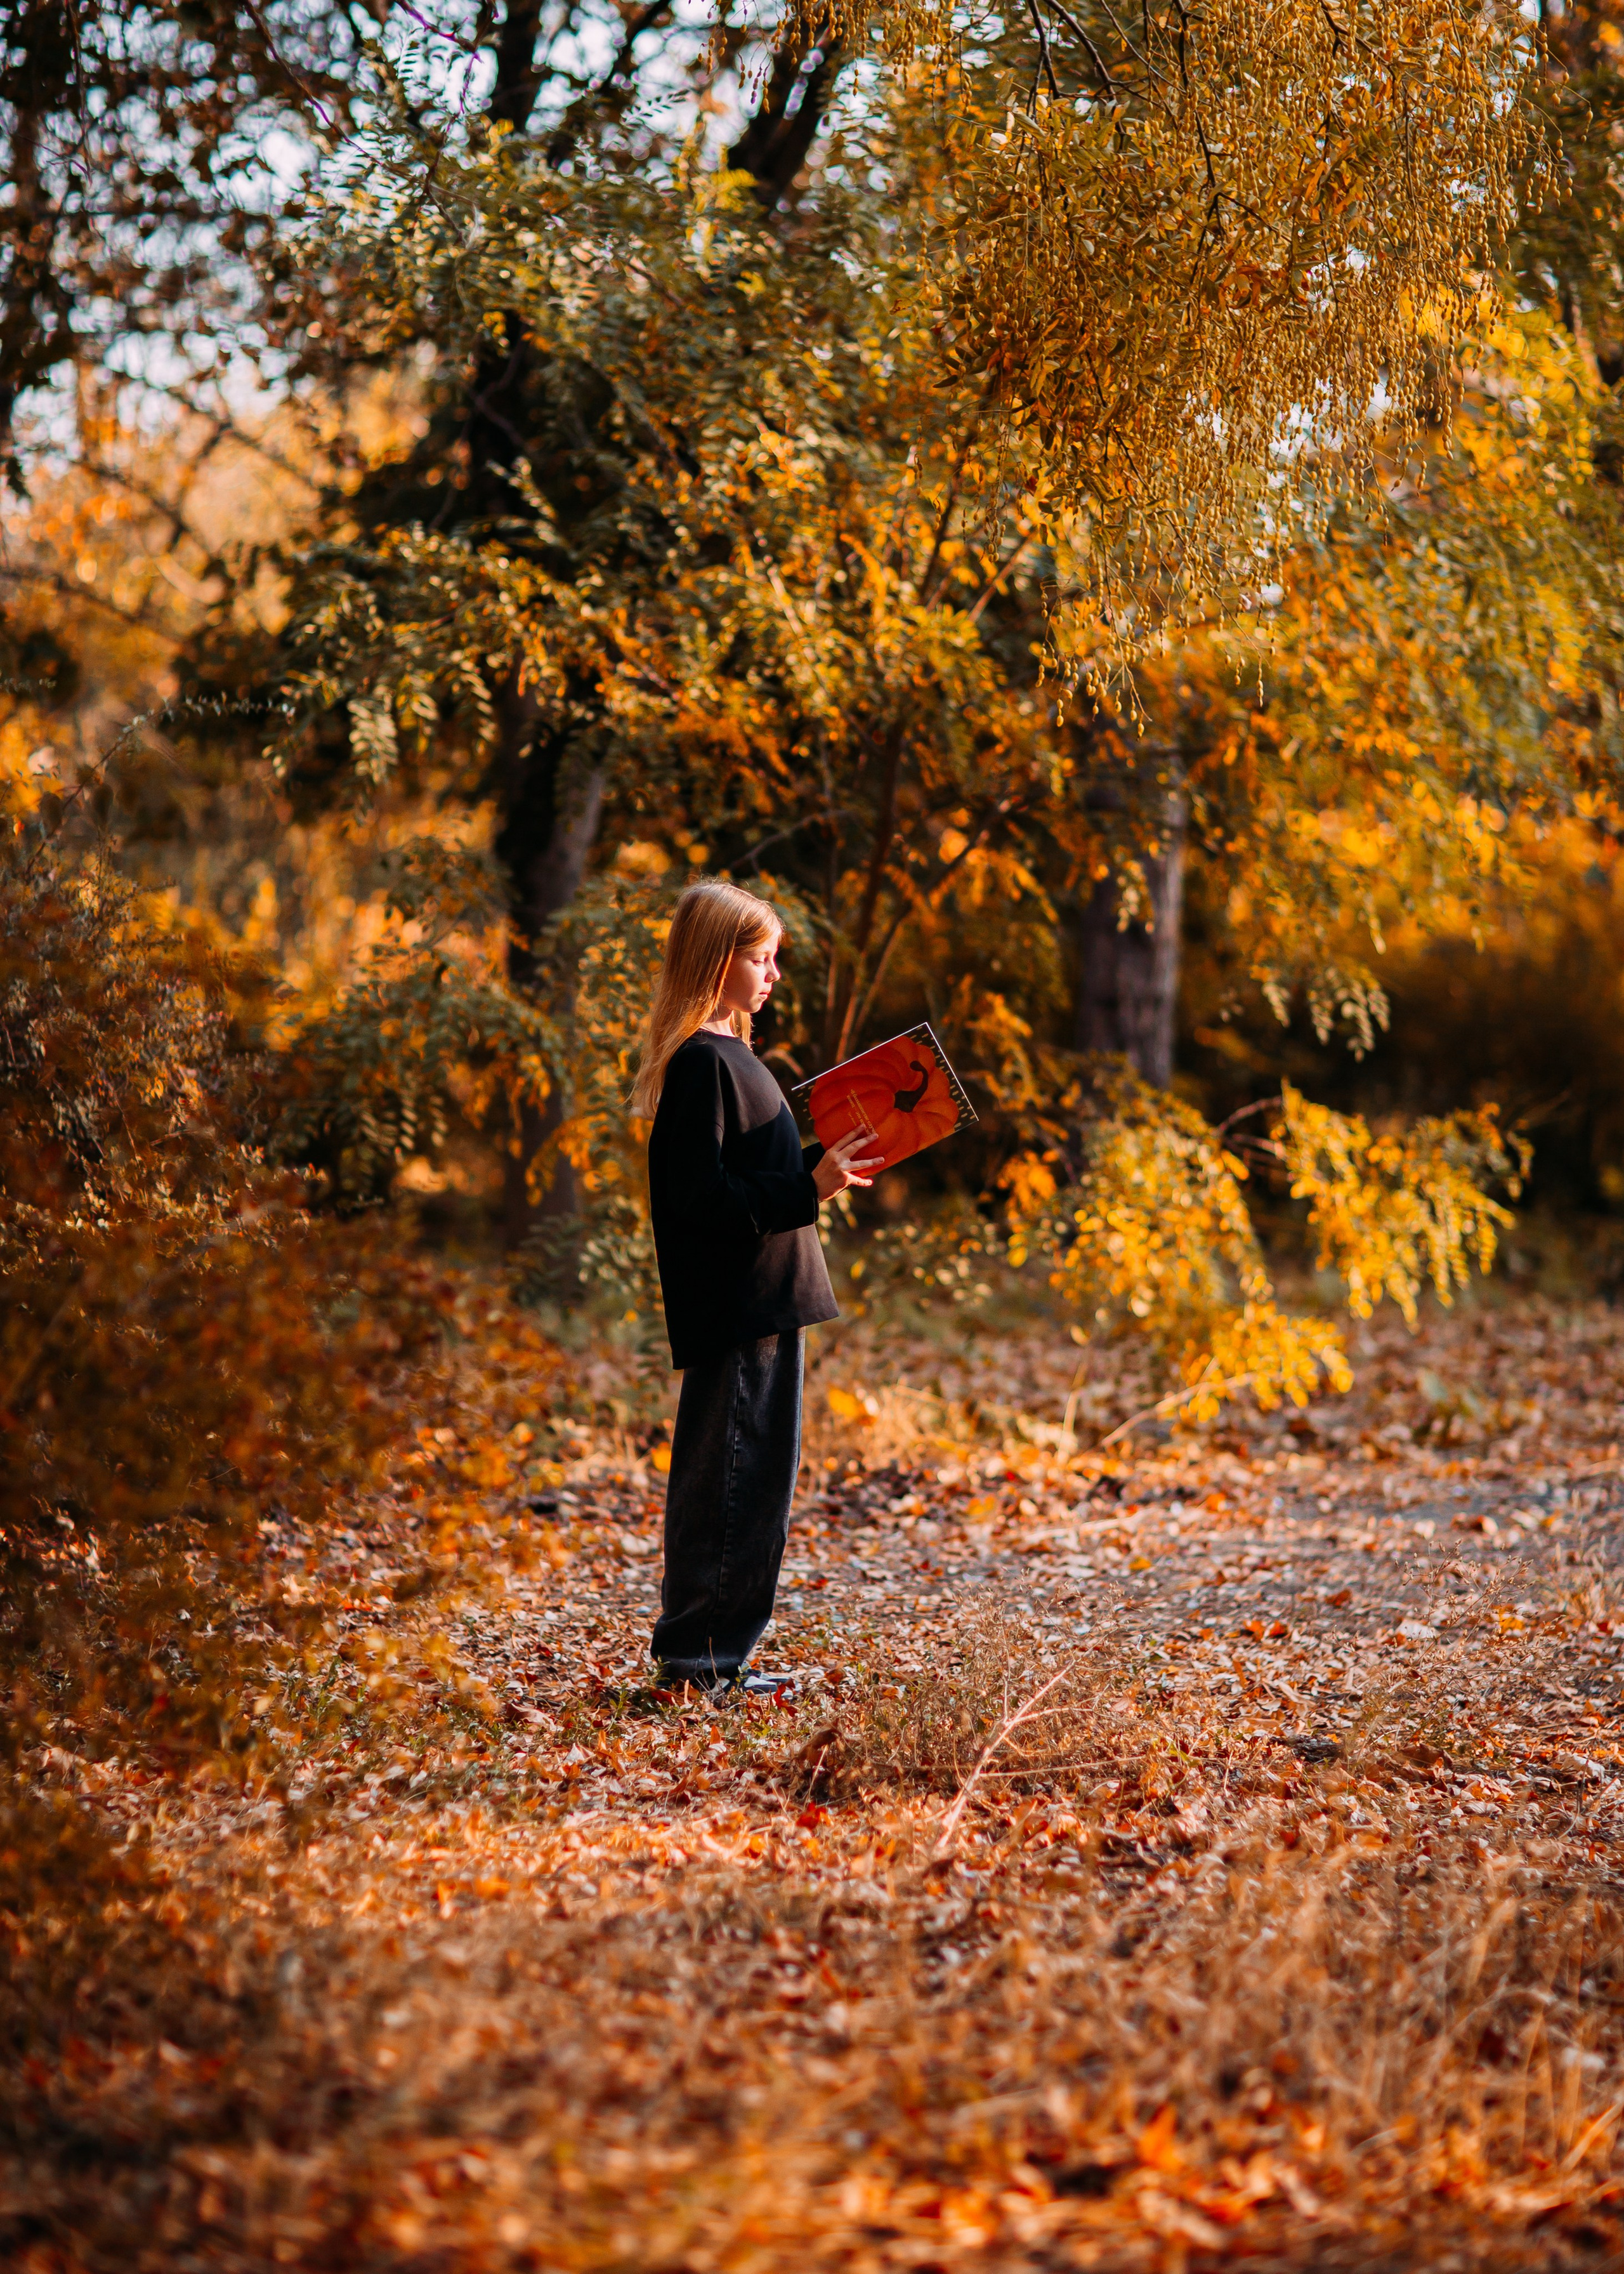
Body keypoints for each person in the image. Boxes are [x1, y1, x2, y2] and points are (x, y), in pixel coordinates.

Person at [631, 879, 881, 1693]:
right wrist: (810, 1188)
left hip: (764, 1301)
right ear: (717, 958)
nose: (773, 975)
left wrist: (817, 1171)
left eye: (774, 959)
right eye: (760, 958)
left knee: (752, 1480)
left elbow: (747, 1181)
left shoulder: (730, 1055)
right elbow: (699, 1200)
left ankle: (713, 1659)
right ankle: (700, 1664)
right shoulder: (703, 1062)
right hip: (739, 1308)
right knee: (734, 1480)